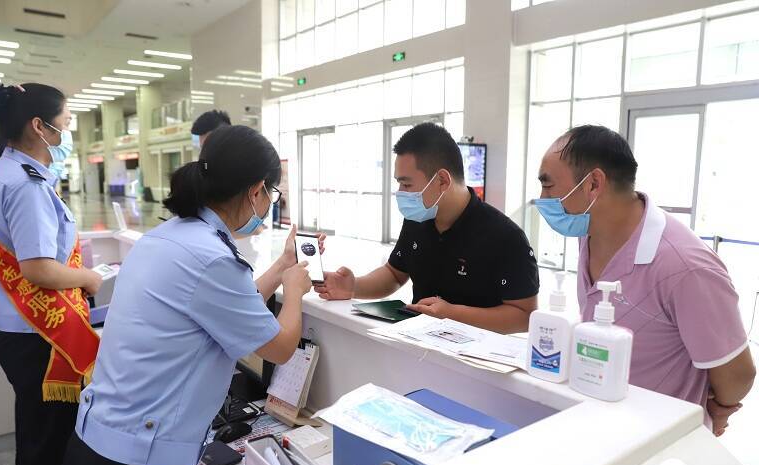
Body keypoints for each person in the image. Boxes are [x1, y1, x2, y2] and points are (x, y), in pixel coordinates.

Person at [61, 125, 323, 465]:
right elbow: (280, 347)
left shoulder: (171, 236)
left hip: (97, 449)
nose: (271, 202)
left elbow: (226, 307)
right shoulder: (213, 258)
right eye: (272, 193)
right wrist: (293, 294)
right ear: (255, 191)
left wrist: (281, 265)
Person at [534, 124, 756, 435]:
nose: (542, 198)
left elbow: (737, 374)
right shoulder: (589, 233)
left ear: (593, 184)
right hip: (598, 420)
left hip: (656, 441)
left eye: (548, 185)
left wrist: (717, 410)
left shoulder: (685, 267)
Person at [0, 84, 103, 465]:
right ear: (40, 126)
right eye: (66, 125)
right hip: (40, 338)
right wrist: (89, 278)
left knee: (35, 435)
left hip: (20, 331)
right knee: (50, 443)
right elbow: (38, 270)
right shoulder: (27, 185)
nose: (67, 134)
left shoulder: (0, 173)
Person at [316, 122, 539, 333]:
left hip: (474, 364)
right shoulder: (418, 219)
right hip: (418, 350)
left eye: (407, 184)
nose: (401, 192)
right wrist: (353, 287)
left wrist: (452, 314)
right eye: (399, 183)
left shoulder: (505, 237)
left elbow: (524, 315)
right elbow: (394, 274)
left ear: (442, 180)